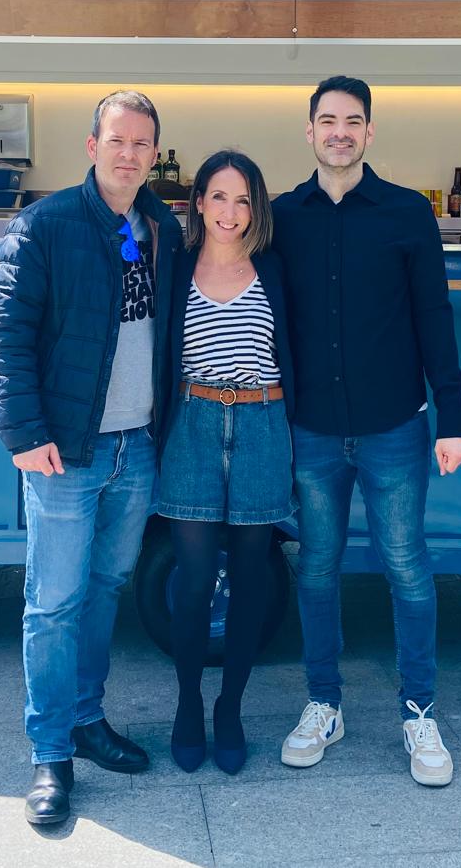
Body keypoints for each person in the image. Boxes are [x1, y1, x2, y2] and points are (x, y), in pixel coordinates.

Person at [0, 90, 183, 827]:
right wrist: (25, 434)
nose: (130, 154)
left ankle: (88, 722)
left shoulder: (161, 226)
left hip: (138, 447)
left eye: (143, 145)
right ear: (92, 144)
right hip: (68, 452)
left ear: (154, 155)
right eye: (118, 140)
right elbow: (4, 335)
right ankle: (49, 754)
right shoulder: (45, 225)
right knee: (54, 602)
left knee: (104, 590)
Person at [272, 75, 461, 788]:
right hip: (313, 433)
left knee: (406, 568)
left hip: (395, 427)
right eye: (327, 120)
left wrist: (454, 415)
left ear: (369, 132)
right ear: (309, 131)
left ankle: (419, 710)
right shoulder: (282, 216)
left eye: (352, 121)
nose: (339, 132)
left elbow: (434, 316)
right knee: (317, 569)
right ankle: (323, 704)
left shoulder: (405, 212)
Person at [157, 149, 295, 777]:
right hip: (194, 422)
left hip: (263, 423)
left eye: (243, 199)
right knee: (191, 581)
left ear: (255, 207)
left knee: (251, 577)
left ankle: (230, 709)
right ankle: (189, 704)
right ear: (199, 202)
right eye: (219, 197)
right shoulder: (174, 264)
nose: (231, 212)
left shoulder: (274, 266)